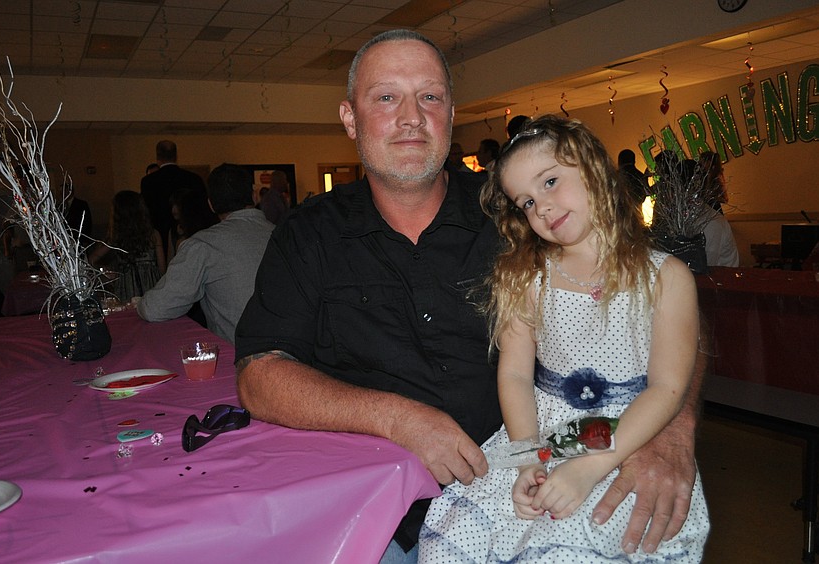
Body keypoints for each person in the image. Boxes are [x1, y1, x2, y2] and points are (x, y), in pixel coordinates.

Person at [234, 30, 701, 563]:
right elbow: (260, 374)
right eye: (386, 97)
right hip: (373, 518)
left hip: (529, 487)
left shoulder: (515, 217)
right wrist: (397, 419)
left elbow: (652, 317)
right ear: (349, 118)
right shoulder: (308, 234)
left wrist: (667, 435)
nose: (411, 116)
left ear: (450, 114)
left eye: (429, 96)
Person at [419, 115, 709, 562]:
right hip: (545, 433)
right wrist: (527, 460)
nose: (543, 208)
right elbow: (515, 373)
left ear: (592, 167)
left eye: (551, 182)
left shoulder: (666, 277)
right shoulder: (525, 277)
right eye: (527, 202)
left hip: (624, 434)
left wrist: (591, 468)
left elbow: (668, 388)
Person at [137, 164, 274, 344]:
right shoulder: (287, 236)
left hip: (241, 359)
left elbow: (156, 308)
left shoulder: (203, 245)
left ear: (210, 204)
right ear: (255, 195)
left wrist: (138, 303)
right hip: (300, 358)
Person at [90, 190, 166, 304]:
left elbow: (91, 259)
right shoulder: (153, 235)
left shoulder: (116, 238)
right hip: (152, 288)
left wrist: (106, 273)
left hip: (127, 290)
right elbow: (162, 269)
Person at [140, 140, 207, 255]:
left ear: (158, 157)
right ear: (176, 156)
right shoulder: (193, 179)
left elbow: (146, 212)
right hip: (192, 236)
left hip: (160, 238)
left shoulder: (149, 182)